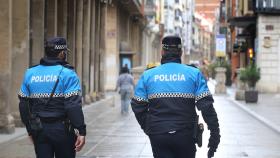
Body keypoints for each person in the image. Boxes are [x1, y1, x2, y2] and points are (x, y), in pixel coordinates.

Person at [131, 35, 220, 158]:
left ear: (162, 51)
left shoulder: (148, 75)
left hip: (158, 134)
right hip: (186, 135)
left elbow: (137, 105)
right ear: (181, 52)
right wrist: (215, 134)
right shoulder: (194, 73)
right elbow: (207, 107)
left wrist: (149, 127)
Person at [18, 37, 86, 158]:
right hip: (63, 130)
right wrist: (81, 130)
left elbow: (23, 105)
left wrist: (30, 130)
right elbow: (73, 105)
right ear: (61, 53)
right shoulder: (68, 74)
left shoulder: (30, 73)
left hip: (39, 130)